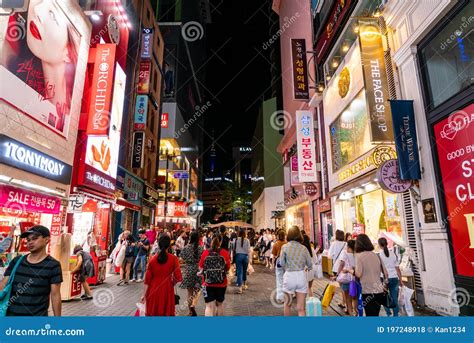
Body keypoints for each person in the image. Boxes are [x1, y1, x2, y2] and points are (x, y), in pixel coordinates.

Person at [0, 225, 62, 316]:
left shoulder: (53, 265)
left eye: (34, 238)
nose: (30, 242)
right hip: (11, 317)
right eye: (28, 240)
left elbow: (55, 295)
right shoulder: (17, 261)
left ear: (46, 239)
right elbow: (3, 285)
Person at [142, 235, 182, 316]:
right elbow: (178, 277)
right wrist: (172, 282)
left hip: (153, 289)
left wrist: (144, 294)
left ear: (159, 245)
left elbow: (147, 280)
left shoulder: (152, 259)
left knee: (153, 312)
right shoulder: (174, 259)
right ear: (169, 245)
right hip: (167, 289)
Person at [280, 226, 312, 316]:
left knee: (287, 305)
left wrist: (287, 267)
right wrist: (305, 267)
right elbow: (310, 264)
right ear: (299, 235)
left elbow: (281, 263)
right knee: (301, 309)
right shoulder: (304, 248)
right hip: (301, 276)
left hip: (289, 276)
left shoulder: (284, 247)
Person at [353, 234, 388, 316]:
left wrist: (350, 270)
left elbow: (358, 274)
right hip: (379, 290)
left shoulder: (359, 256)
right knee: (375, 314)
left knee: (370, 314)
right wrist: (385, 286)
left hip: (368, 291)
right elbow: (386, 273)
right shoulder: (377, 255)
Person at [199, 235, 231, 316]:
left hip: (206, 283)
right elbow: (227, 268)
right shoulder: (224, 252)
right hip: (221, 283)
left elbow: (200, 267)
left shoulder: (205, 252)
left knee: (209, 306)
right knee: (219, 305)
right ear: (220, 242)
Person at [179, 231, 204, 316]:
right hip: (198, 271)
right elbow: (203, 260)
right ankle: (193, 304)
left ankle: (190, 311)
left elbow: (181, 259)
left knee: (189, 292)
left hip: (189, 270)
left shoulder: (186, 247)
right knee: (197, 290)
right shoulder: (201, 248)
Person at [378, 237, 403, 316]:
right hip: (394, 278)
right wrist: (401, 280)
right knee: (394, 297)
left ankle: (388, 313)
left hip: (384, 279)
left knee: (385, 297)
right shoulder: (393, 253)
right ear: (387, 243)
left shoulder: (379, 255)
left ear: (379, 245)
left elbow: (379, 269)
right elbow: (397, 268)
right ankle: (396, 315)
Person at [337, 239, 357, 316]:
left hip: (346, 278)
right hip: (355, 278)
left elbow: (341, 264)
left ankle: (350, 312)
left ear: (349, 247)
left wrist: (337, 274)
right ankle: (356, 312)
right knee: (355, 297)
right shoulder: (357, 254)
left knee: (348, 298)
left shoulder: (345, 253)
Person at [328, 229, 347, 308]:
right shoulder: (346, 243)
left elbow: (329, 256)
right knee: (345, 285)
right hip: (345, 267)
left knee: (342, 286)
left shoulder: (334, 244)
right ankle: (345, 301)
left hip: (336, 267)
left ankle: (344, 302)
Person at [271, 230, 287, 303]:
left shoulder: (276, 244)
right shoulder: (287, 243)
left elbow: (274, 256)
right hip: (287, 263)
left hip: (279, 262)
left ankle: (280, 297)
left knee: (279, 279)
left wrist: (272, 264)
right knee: (286, 279)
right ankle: (287, 296)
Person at [234, 228, 251, 294]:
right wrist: (249, 259)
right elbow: (248, 250)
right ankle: (244, 284)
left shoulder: (236, 240)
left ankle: (240, 288)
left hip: (238, 256)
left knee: (239, 272)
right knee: (244, 271)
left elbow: (234, 249)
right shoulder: (247, 240)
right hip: (245, 256)